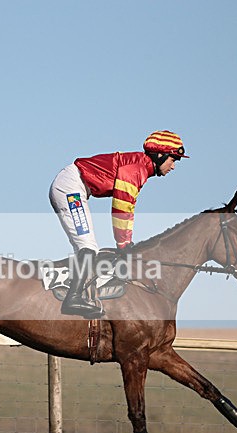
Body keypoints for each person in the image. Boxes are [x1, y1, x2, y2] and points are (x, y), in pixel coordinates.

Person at [48, 130, 188, 317]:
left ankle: (78, 293)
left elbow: (128, 208)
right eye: (173, 160)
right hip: (71, 188)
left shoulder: (140, 167)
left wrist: (126, 243)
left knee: (86, 248)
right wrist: (124, 245)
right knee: (88, 247)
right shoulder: (136, 169)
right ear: (160, 155)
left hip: (73, 186)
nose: (173, 166)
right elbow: (121, 208)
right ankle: (73, 298)